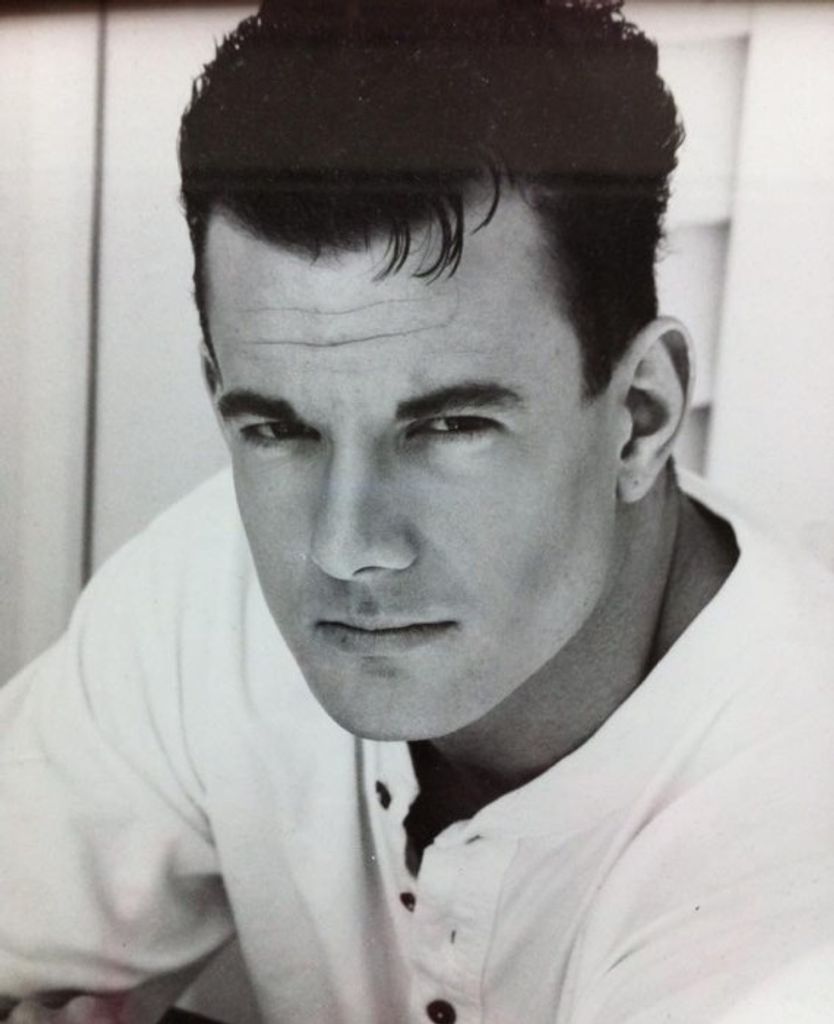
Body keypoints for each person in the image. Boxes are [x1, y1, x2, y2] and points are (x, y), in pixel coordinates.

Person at [2, 1, 834, 1021]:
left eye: (448, 428)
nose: (347, 546)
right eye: (279, 428)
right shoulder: (206, 593)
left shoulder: (794, 871)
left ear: (640, 417)